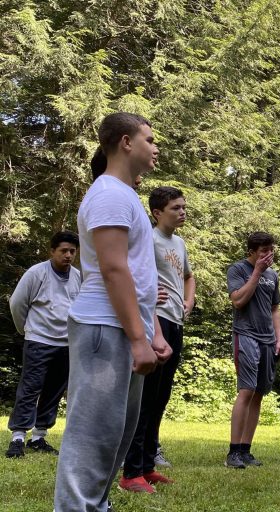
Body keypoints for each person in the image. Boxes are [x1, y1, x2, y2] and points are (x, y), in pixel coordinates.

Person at [54, 113, 172, 512]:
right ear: (126, 142)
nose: (156, 147)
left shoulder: (126, 196)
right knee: (92, 436)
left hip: (124, 328)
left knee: (116, 436)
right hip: (104, 327)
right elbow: (113, 269)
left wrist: (151, 332)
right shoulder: (107, 194)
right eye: (150, 139)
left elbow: (139, 275)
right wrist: (139, 337)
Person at [119, 186, 195, 492]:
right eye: (175, 208)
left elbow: (189, 276)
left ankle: (148, 465)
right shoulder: (147, 240)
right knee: (145, 397)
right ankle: (131, 471)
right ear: (157, 213)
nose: (182, 212)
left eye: (183, 207)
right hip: (154, 322)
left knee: (161, 396)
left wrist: (188, 302)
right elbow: (131, 275)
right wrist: (148, 300)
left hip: (175, 321)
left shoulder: (179, 243)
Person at [6, 231, 82, 458]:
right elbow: (18, 304)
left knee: (54, 391)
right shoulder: (37, 273)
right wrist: (26, 329)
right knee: (30, 389)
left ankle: (39, 437)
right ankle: (18, 438)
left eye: (72, 251)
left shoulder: (78, 276)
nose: (68, 255)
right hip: (39, 340)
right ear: (52, 251)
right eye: (63, 251)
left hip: (66, 344)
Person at [225, 231, 280, 469]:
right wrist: (257, 272)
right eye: (263, 251)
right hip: (245, 334)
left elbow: (275, 309)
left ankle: (246, 450)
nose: (268, 255)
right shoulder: (238, 270)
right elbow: (238, 300)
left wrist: (279, 339)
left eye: (271, 250)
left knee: (259, 393)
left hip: (268, 339)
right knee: (246, 391)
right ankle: (233, 452)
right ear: (251, 252)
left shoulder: (274, 276)